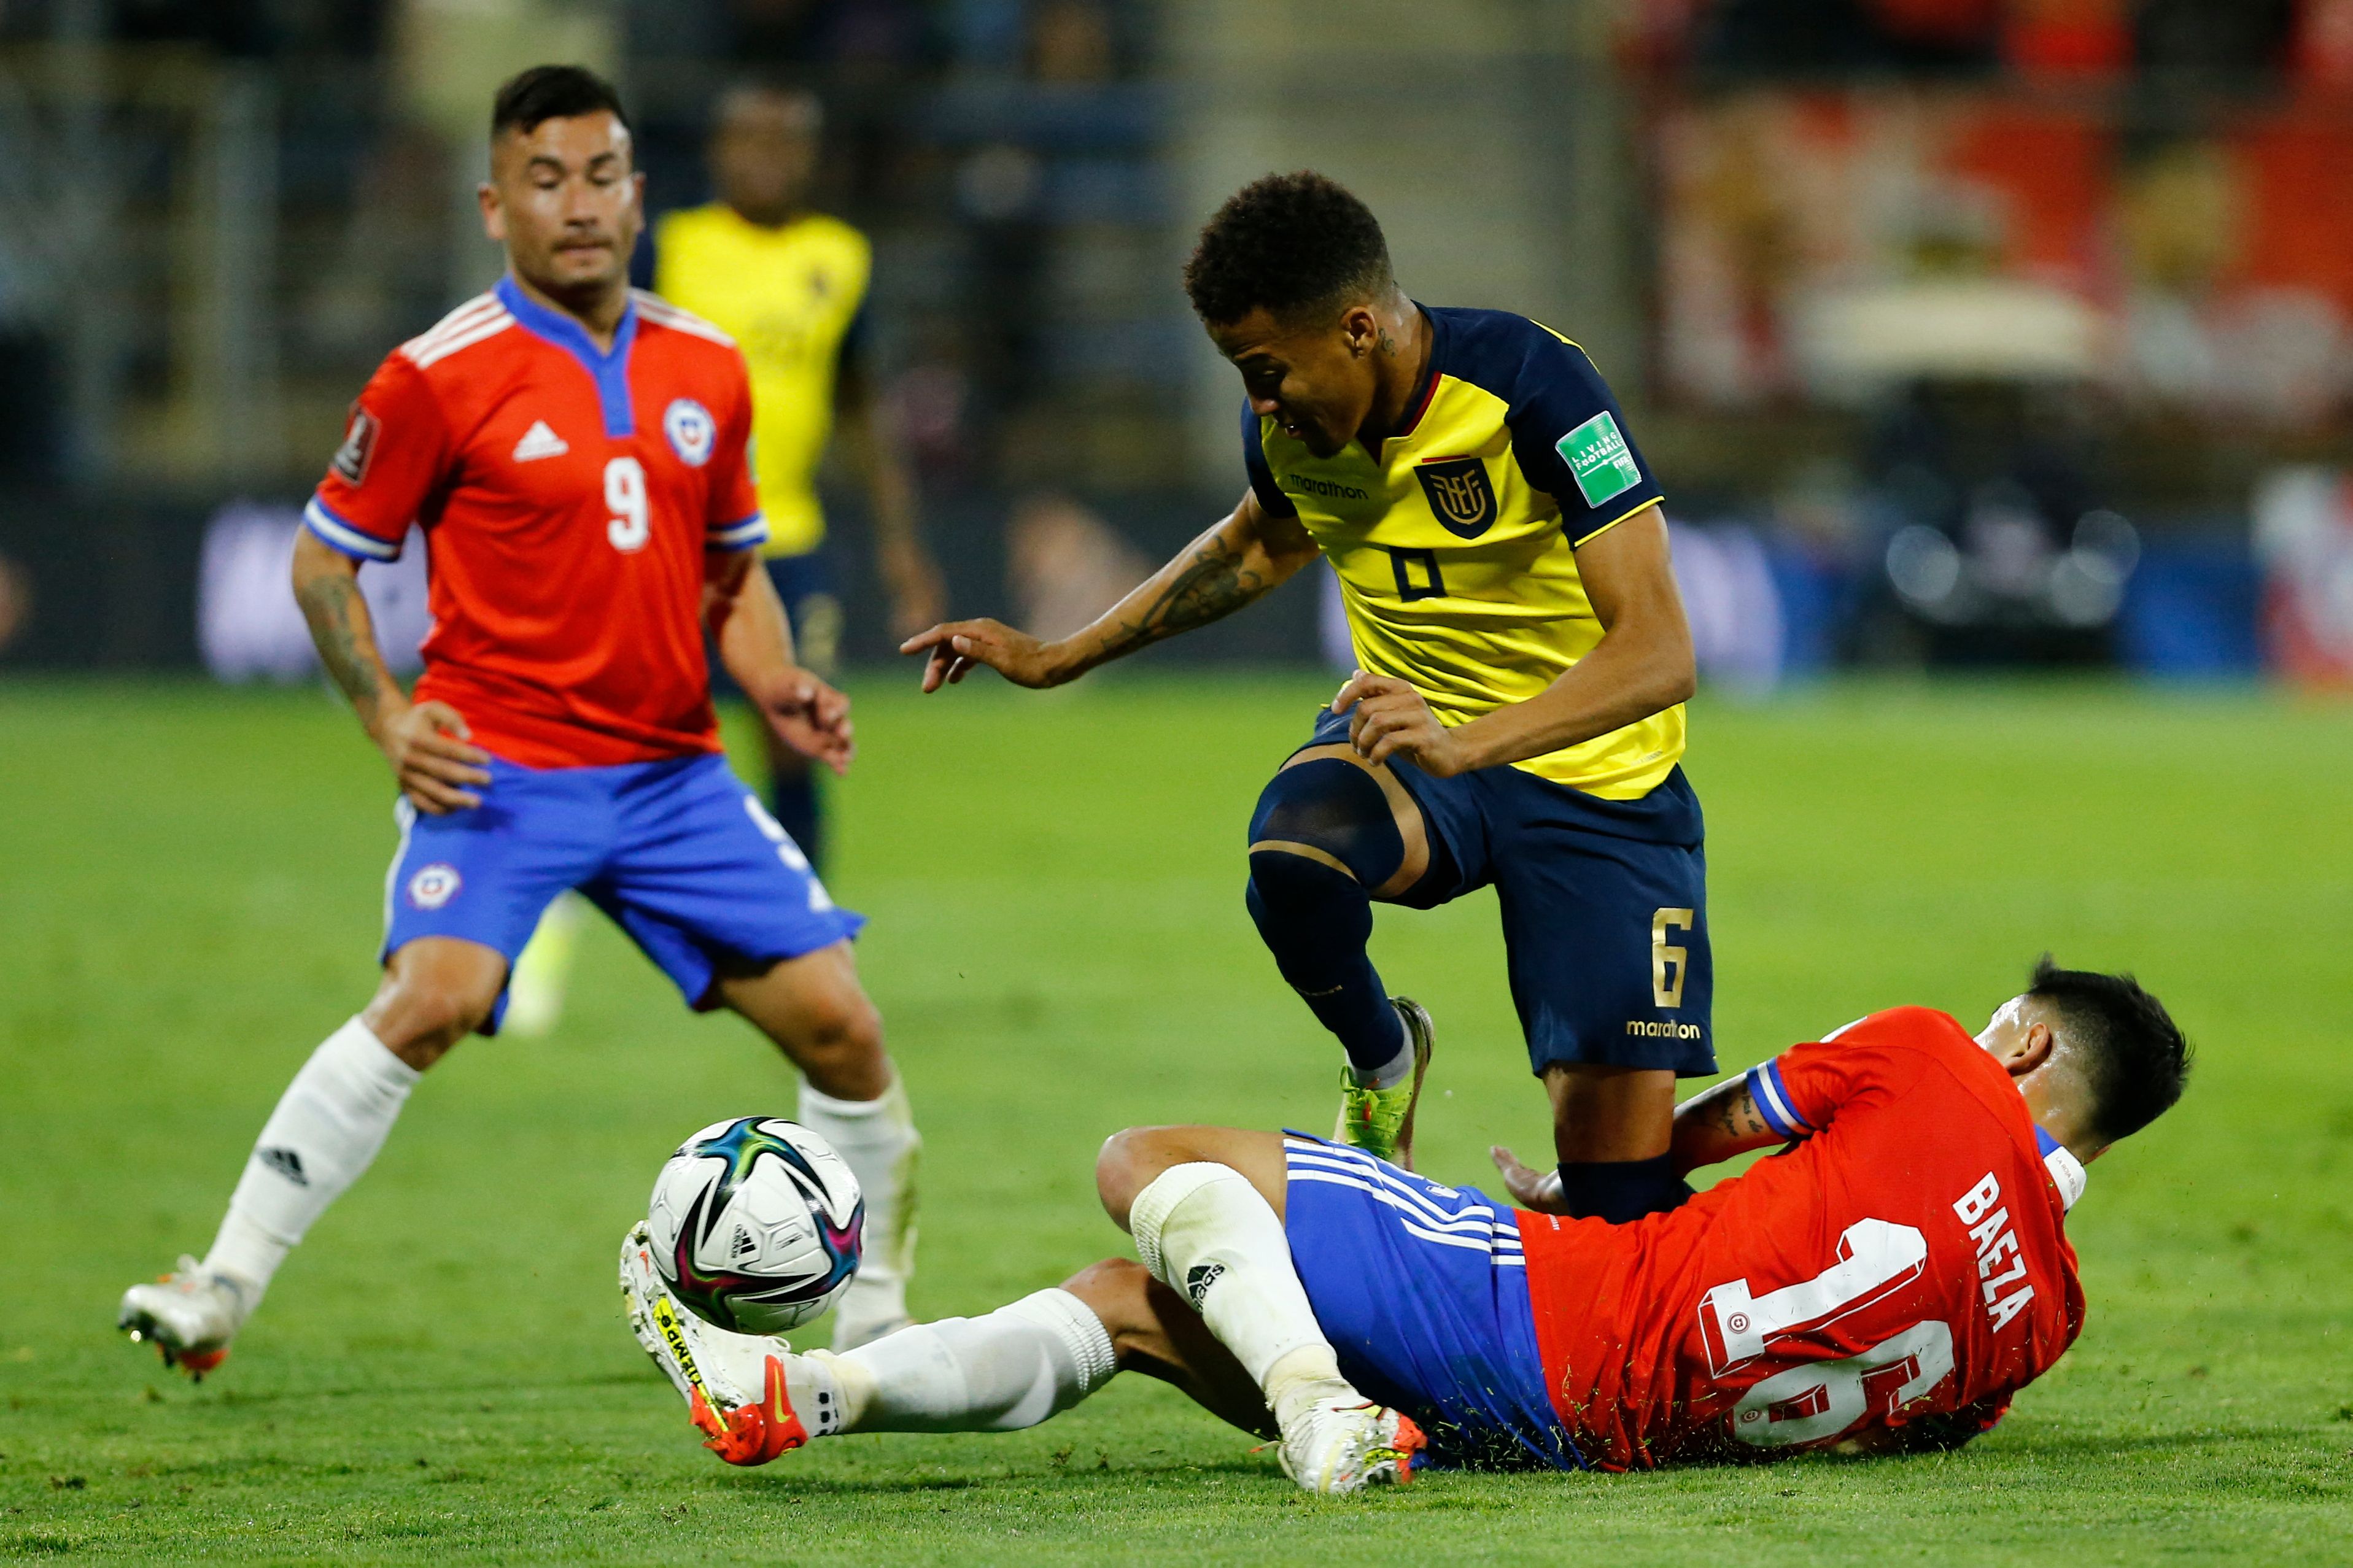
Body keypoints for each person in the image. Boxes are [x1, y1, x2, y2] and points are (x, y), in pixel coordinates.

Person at [116, 66, 922, 1378]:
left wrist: (773, 678)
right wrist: (386, 714)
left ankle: (880, 1314)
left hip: (672, 774)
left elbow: (732, 570)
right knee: (433, 996)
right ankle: (220, 1281)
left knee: (845, 1026)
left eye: (601, 176)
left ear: (637, 195)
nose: (578, 205)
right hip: (504, 766)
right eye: (545, 181)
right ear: (496, 206)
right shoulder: (436, 376)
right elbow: (325, 563)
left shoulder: (704, 367)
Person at [902, 172, 1706, 1221]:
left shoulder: (1535, 386)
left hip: (1596, 785)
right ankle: (1381, 1066)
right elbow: (1254, 544)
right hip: (1418, 754)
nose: (1259, 401)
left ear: (1359, 329)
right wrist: (1060, 657)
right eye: (1243, 375)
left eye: (1267, 370)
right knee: (1295, 851)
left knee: (1619, 1205)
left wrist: (1471, 743)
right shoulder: (1287, 427)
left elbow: (1658, 651)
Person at [620, 959, 2188, 1493]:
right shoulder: (2043, 1328)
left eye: (2007, 1020)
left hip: (1551, 1311)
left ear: (2030, 1048)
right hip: (1601, 1444)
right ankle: (802, 1394)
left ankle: (1319, 1415)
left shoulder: (1927, 1055)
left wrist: (1586, 1197)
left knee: (1146, 1158)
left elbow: (1704, 1125)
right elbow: (1871, 1439)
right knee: (1130, 1301)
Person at [655, 80, 944, 867]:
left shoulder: (838, 259)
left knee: (796, 735)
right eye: (750, 140)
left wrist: (900, 547)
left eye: (786, 143)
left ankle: (800, 931)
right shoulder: (670, 248)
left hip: (789, 536)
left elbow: (860, 406)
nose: (768, 160)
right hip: (673, 542)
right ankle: (571, 925)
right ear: (718, 151)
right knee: (645, 747)